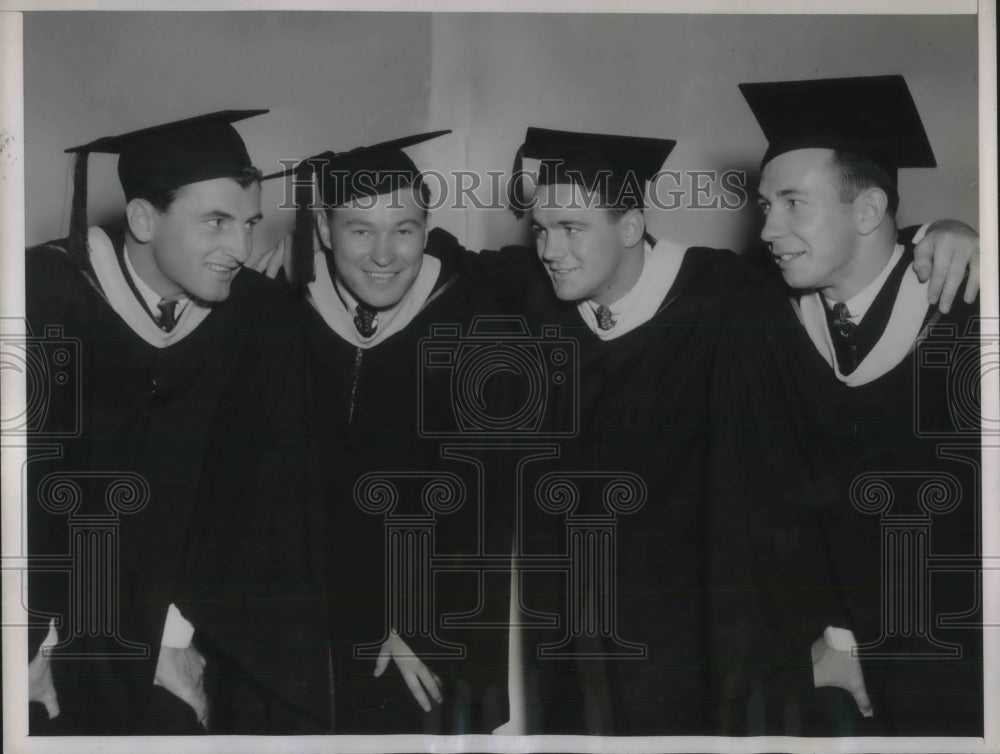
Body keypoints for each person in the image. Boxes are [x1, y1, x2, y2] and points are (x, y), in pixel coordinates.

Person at [421, 125, 980, 735]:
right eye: (542, 230)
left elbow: (855, 255)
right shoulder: (533, 289)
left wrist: (942, 233)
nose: (552, 248)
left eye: (573, 228)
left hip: (704, 626)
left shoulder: (723, 290)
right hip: (577, 624)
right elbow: (449, 260)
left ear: (631, 227)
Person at [25, 110, 330, 735]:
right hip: (51, 629)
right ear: (142, 218)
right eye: (214, 223)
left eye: (248, 225)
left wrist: (174, 634)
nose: (240, 249)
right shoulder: (40, 298)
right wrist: (32, 644)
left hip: (190, 626)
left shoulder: (259, 317)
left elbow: (259, 503)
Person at [714, 74, 983, 736]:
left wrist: (960, 231)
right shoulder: (767, 315)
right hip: (828, 650)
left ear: (866, 212)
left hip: (960, 653)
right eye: (764, 204)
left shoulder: (968, 316)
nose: (766, 226)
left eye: (792, 203)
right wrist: (835, 635)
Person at [262, 132, 513, 734]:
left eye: (403, 229)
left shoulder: (478, 326)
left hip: (424, 632)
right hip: (304, 626)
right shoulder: (284, 315)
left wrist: (420, 622)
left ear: (427, 230)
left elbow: (483, 501)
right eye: (359, 229)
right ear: (323, 229)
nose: (383, 253)